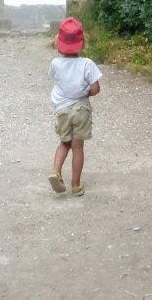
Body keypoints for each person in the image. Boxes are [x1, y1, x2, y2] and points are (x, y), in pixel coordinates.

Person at [47, 17, 102, 196]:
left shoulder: (55, 64)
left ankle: (55, 171)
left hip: (62, 110)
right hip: (81, 110)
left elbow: (57, 79)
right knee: (78, 147)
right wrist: (86, 92)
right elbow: (95, 89)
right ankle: (76, 185)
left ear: (58, 43)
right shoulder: (87, 64)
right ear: (83, 43)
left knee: (64, 143)